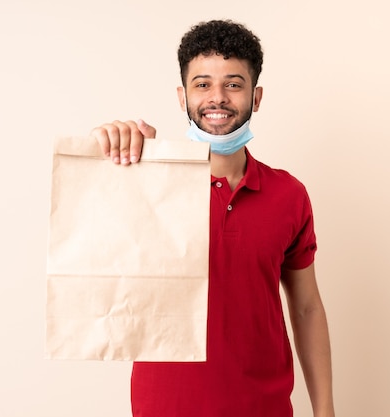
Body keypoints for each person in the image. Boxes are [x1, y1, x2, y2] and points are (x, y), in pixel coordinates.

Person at [91, 19, 335, 417]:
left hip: (265, 407)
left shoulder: (289, 195)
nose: (217, 98)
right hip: (163, 409)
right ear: (181, 95)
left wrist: (325, 411)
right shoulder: (147, 185)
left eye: (233, 84)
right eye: (202, 84)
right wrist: (109, 157)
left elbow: (307, 308)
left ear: (256, 97)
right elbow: (96, 248)